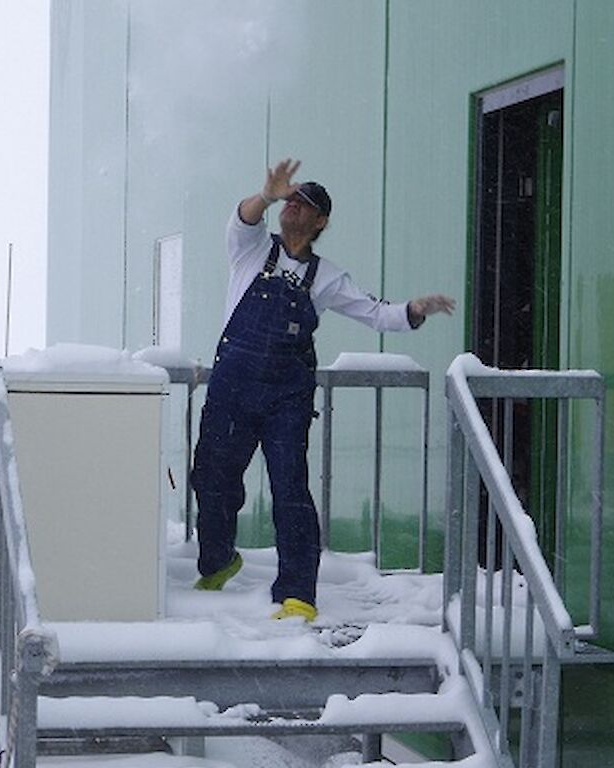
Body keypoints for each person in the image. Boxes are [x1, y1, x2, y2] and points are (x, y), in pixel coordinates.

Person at [191, 159, 455, 622]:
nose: (292, 206)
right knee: (211, 479)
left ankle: (298, 594)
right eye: (289, 200)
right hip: (232, 388)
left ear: (320, 222)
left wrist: (414, 309)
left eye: (303, 203)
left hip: (285, 399)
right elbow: (244, 216)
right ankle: (217, 561)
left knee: (290, 488)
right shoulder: (250, 249)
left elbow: (376, 313)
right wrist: (267, 194)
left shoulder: (328, 276)